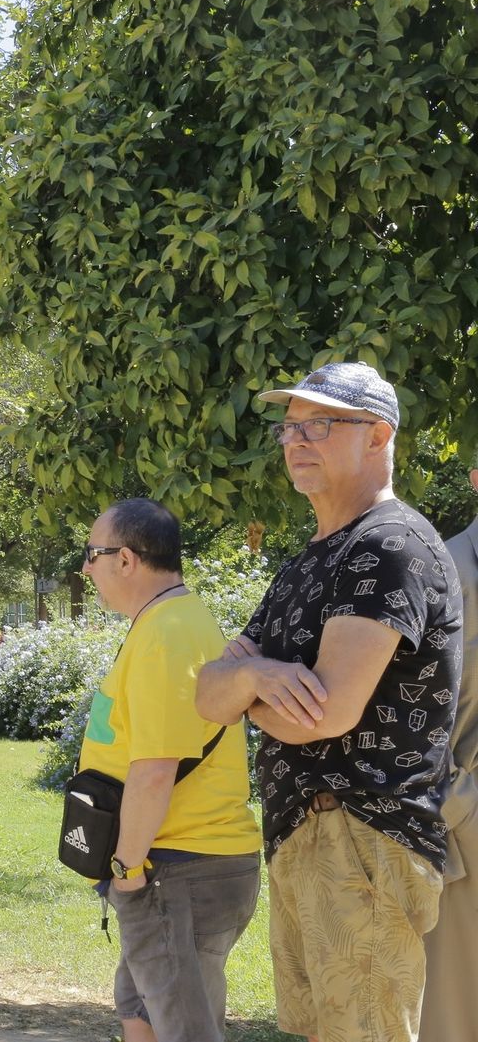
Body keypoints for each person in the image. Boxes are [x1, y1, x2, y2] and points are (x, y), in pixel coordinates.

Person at [197, 361, 460, 1042]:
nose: (295, 440)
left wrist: (251, 683)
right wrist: (260, 679)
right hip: (307, 833)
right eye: (289, 427)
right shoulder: (308, 560)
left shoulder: (389, 545)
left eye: (319, 425)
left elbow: (326, 712)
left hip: (361, 835)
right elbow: (208, 693)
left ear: (377, 435)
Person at [79, 499, 261, 1041]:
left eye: (91, 554)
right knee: (140, 1012)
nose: (85, 568)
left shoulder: (167, 633)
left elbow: (155, 769)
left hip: (176, 868)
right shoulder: (168, 622)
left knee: (184, 1030)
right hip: (172, 866)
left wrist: (127, 870)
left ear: (126, 559)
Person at [424, 460, 478, 1041]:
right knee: (456, 1014)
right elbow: (408, 711)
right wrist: (460, 804)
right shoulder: (442, 571)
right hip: (466, 826)